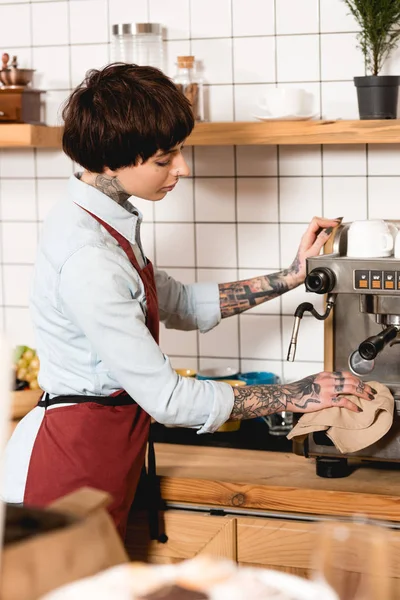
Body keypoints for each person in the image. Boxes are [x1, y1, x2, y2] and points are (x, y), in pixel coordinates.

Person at [2, 64, 375, 540]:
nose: (183, 169)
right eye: (164, 159)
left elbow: (181, 303)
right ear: (111, 160)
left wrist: (292, 276)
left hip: (105, 455)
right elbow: (170, 399)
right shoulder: (87, 257)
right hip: (64, 471)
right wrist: (296, 394)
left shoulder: (105, 223)